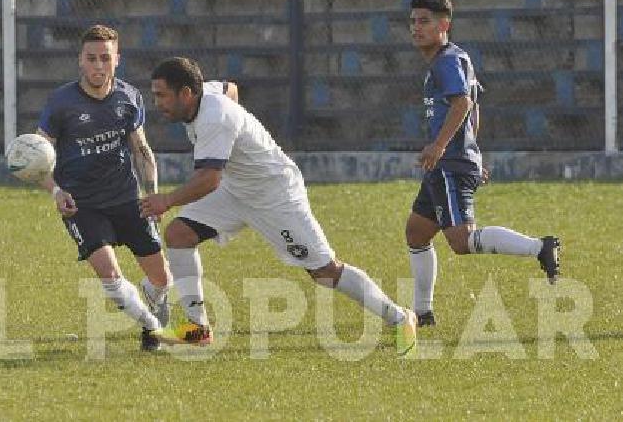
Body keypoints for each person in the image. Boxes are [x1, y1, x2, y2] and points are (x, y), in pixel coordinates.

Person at [139, 57, 418, 357]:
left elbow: (208, 180)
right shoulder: (206, 93)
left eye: (161, 95)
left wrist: (165, 200)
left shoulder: (214, 117)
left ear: (185, 94)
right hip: (236, 190)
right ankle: (198, 329)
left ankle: (401, 318)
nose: (157, 103)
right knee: (179, 234)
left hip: (274, 196)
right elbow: (231, 89)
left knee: (324, 271)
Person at [404, 0, 561, 327]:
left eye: (424, 21)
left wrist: (442, 147)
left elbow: (462, 104)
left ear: (444, 25)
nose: (416, 28)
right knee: (417, 233)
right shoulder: (453, 58)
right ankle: (422, 313)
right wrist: (471, 152)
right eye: (413, 21)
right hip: (450, 163)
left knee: (461, 241)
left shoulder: (447, 61)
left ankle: (540, 247)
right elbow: (475, 108)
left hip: (447, 165)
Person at [35, 24, 172, 351]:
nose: (98, 66)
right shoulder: (61, 103)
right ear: (80, 61)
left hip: (127, 199)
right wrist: (56, 191)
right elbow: (40, 159)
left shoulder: (128, 97)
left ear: (117, 60)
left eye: (105, 59)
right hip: (82, 206)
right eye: (91, 58)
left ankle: (152, 305)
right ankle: (152, 329)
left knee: (162, 279)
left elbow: (142, 149)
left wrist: (152, 194)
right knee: (109, 275)